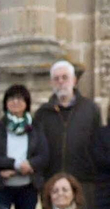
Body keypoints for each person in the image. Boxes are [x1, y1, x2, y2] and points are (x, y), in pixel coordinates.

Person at [33, 61, 101, 198]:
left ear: (74, 81)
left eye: (65, 77)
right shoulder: (42, 113)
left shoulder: (90, 109)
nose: (61, 82)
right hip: (52, 183)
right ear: (51, 83)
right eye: (56, 79)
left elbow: (98, 143)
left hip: (83, 181)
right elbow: (36, 147)